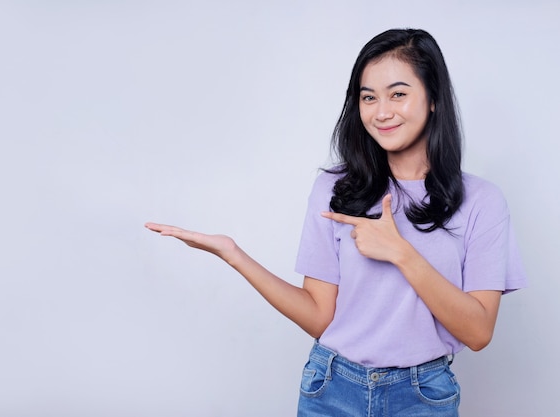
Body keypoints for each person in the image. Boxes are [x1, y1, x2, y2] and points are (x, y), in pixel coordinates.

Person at [145, 28, 527, 417]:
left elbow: (478, 333)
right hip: (332, 388)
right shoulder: (335, 188)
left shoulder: (481, 201)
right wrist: (234, 255)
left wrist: (401, 254)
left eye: (398, 94)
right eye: (368, 97)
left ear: (433, 99)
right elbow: (319, 316)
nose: (381, 112)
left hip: (423, 396)